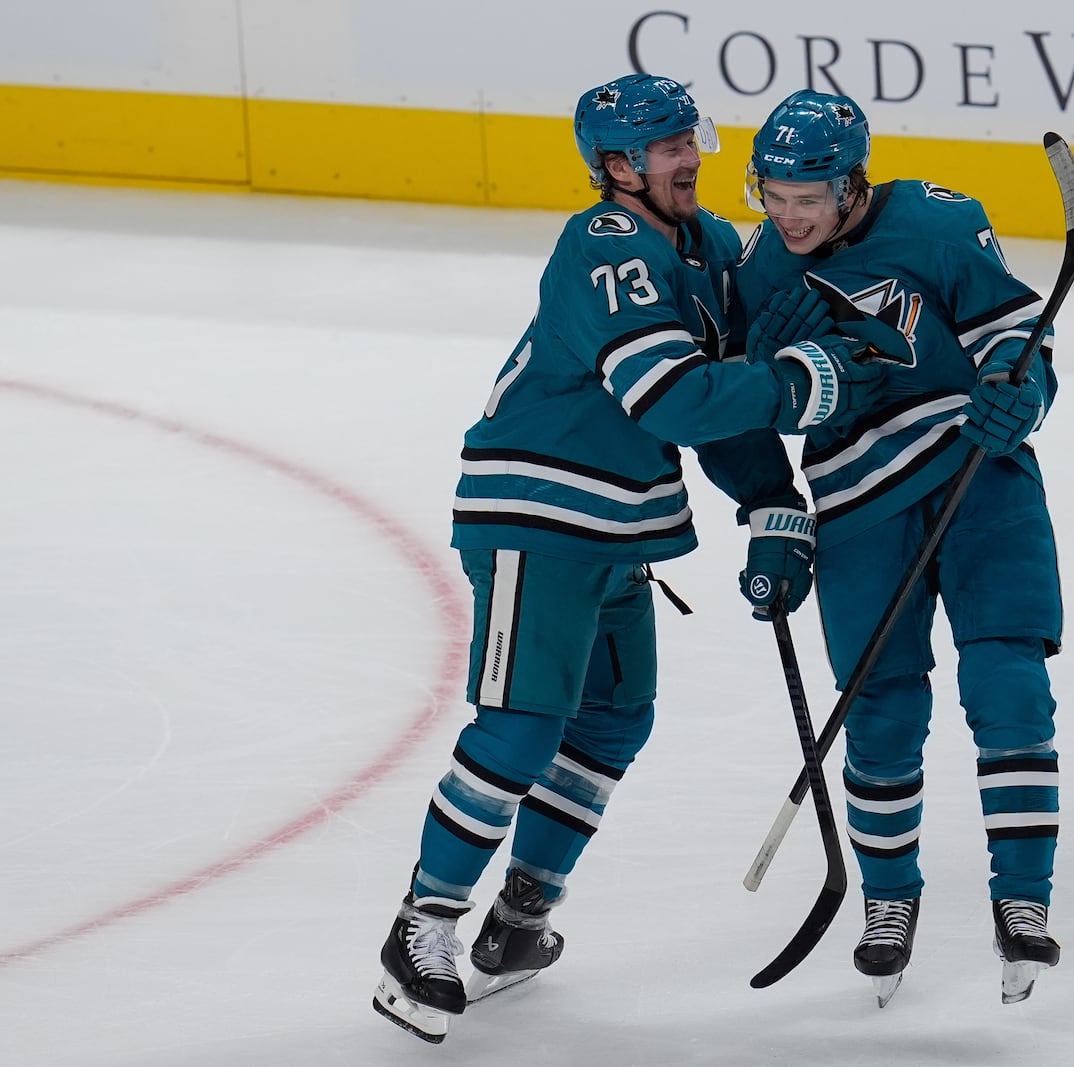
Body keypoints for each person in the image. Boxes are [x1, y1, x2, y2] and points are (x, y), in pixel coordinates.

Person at [372, 74, 884, 1044]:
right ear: (615, 167)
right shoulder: (603, 244)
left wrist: (771, 499)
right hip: (537, 514)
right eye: (665, 147)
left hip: (621, 525)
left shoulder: (708, 247)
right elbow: (676, 400)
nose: (688, 158)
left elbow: (718, 390)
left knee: (613, 721)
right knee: (523, 725)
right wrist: (796, 384)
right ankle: (421, 926)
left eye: (689, 139)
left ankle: (519, 919)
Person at [734, 90, 1065, 1006]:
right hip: (856, 505)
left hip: (977, 472)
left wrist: (1018, 390)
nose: (789, 214)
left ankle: (1024, 903)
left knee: (1009, 683)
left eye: (810, 196)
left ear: (854, 183)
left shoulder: (939, 222)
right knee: (880, 711)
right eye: (774, 194)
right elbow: (736, 413)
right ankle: (889, 902)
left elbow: (1018, 340)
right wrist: (773, 512)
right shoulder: (760, 268)